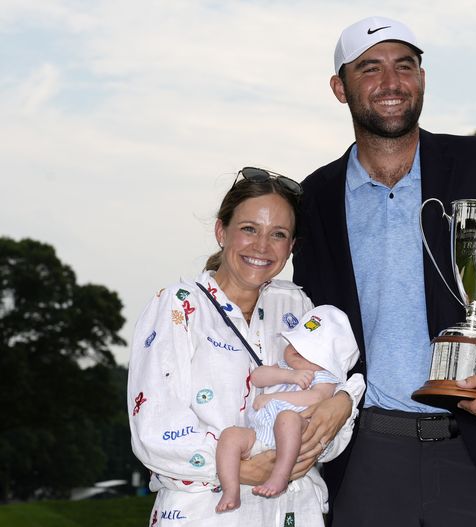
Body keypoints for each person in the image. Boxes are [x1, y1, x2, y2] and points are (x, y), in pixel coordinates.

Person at [292, 16, 476, 527]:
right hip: (364, 457)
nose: (391, 83)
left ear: (421, 79)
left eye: (405, 66)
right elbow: (309, 327)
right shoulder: (314, 198)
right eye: (370, 69)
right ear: (340, 88)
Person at [127, 167, 365, 527]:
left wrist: (340, 407)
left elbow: (327, 429)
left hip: (294, 513)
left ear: (291, 247)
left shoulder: (299, 308)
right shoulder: (178, 307)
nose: (262, 246)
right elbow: (154, 432)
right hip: (203, 516)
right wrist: (242, 467)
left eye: (278, 234)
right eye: (249, 229)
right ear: (222, 231)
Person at [215, 304, 359, 512]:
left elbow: (316, 397)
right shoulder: (285, 366)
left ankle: (280, 476)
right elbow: (257, 377)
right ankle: (230, 490)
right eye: (296, 344)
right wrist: (288, 375)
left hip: (295, 435)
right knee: (230, 436)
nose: (298, 351)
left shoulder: (324, 376)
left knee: (287, 417)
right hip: (260, 435)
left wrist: (274, 397)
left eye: (310, 351)